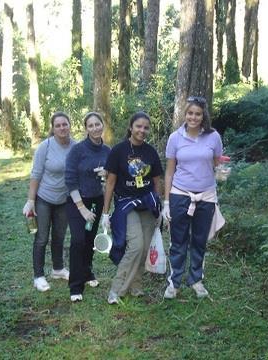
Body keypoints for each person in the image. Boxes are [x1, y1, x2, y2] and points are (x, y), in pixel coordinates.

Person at [162, 96, 223, 299]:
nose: (193, 117)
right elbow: (169, 172)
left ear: (203, 115)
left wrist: (223, 172)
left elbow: (218, 164)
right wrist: (167, 201)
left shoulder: (213, 137)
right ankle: (175, 282)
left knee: (199, 240)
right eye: (190, 113)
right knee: (178, 240)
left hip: (206, 196)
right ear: (184, 114)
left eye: (197, 114)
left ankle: (196, 279)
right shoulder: (175, 138)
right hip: (180, 195)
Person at [101, 111, 163, 304]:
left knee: (145, 247)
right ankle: (116, 290)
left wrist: (160, 206)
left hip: (147, 203)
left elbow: (157, 181)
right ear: (131, 127)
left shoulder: (150, 152)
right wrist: (105, 212)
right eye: (138, 126)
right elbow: (110, 183)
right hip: (126, 204)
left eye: (145, 127)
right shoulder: (118, 151)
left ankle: (136, 285)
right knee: (135, 246)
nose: (142, 130)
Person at [23, 111, 75, 292]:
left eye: (65, 124)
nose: (62, 128)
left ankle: (58, 269)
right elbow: (36, 174)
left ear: (70, 125)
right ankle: (38, 276)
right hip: (44, 198)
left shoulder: (75, 146)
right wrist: (31, 201)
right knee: (42, 237)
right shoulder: (45, 147)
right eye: (58, 125)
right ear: (53, 128)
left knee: (59, 236)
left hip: (64, 199)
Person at [65, 112, 110, 302]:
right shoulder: (77, 150)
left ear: (103, 125)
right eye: (90, 125)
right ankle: (75, 286)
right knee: (78, 240)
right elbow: (70, 180)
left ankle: (87, 272)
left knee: (90, 238)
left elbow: (113, 177)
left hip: (96, 201)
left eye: (97, 124)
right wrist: (82, 208)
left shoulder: (108, 151)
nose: (95, 128)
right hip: (77, 202)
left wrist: (107, 173)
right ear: (86, 129)